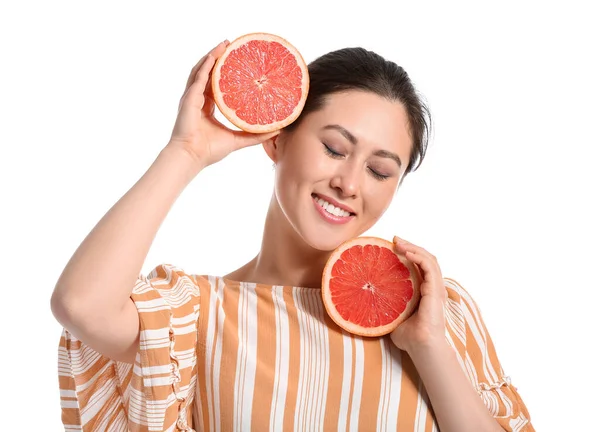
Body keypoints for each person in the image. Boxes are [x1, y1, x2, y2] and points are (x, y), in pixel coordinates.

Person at [51, 40, 534, 431]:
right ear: (278, 137)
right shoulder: (196, 317)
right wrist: (187, 150)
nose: (349, 183)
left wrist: (428, 345)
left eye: (380, 171)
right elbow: (82, 306)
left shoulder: (435, 312)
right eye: (333, 147)